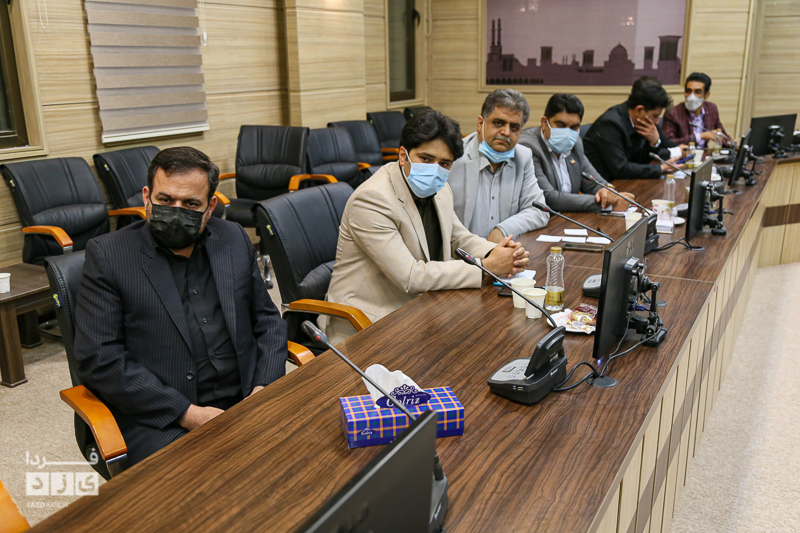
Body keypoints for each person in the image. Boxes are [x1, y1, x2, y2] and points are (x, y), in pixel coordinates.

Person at [74, 147, 287, 466]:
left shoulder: (232, 238)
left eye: (190, 204)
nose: (176, 211)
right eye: (165, 200)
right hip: (163, 418)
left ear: (210, 206)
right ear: (147, 197)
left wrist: (264, 388)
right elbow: (99, 358)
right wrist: (187, 414)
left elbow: (267, 321)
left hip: (246, 398)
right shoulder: (109, 256)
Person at [325, 110, 529, 345]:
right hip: (369, 322)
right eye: (426, 159)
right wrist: (486, 268)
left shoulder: (439, 188)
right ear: (403, 155)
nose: (435, 169)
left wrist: (498, 253)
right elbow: (410, 276)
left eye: (444, 163)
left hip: (422, 307)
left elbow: (458, 237)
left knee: (494, 336)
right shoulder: (373, 199)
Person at [449, 89, 548, 242]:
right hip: (459, 253)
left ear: (521, 131)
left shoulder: (523, 157)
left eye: (514, 127)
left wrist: (503, 229)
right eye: (498, 123)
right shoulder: (453, 158)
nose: (506, 132)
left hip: (503, 252)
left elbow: (539, 210)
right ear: (481, 123)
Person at [519, 93, 635, 213]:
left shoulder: (575, 143)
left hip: (570, 217)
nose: (567, 133)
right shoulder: (528, 147)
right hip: (543, 219)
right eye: (560, 125)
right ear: (544, 123)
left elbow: (593, 182)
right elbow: (549, 198)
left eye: (573, 127)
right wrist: (606, 205)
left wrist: (608, 193)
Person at [584, 76, 685, 180]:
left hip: (626, 181)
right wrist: (660, 168)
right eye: (655, 116)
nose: (657, 121)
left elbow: (641, 160)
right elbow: (620, 169)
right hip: (602, 184)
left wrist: (654, 143)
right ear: (639, 110)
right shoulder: (610, 124)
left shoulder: (642, 121)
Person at [662, 72, 729, 147]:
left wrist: (732, 143)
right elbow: (667, 143)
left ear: (707, 95)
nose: (692, 96)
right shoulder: (673, 113)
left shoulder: (711, 109)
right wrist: (700, 136)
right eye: (688, 91)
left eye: (698, 92)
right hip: (684, 154)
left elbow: (721, 134)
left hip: (704, 154)